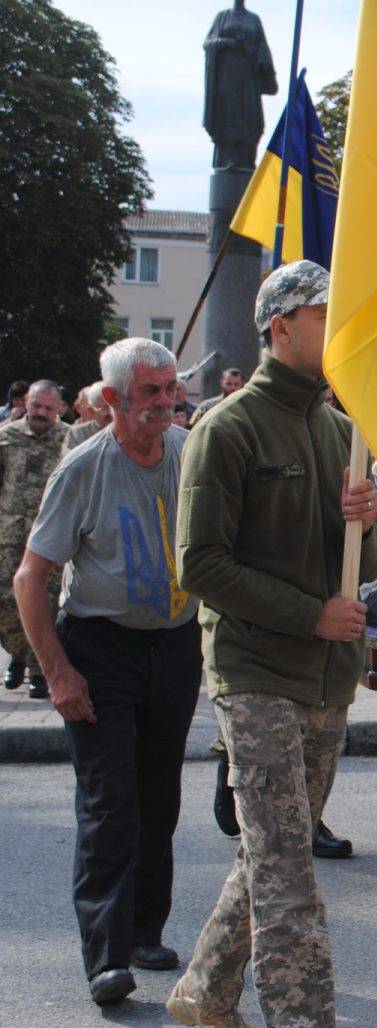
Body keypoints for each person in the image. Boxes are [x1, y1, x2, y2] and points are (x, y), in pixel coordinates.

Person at [167, 260, 377, 1027]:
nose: (338, 329)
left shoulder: (341, 429)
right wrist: (310, 616)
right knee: (289, 871)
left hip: (326, 675)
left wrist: (369, 520)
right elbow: (199, 564)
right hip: (256, 669)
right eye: (324, 315)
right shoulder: (226, 427)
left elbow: (373, 561)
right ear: (280, 325)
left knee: (267, 855)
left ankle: (203, 996)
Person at [12, 340, 200, 1006]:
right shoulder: (83, 469)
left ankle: (146, 930)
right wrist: (57, 672)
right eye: (147, 391)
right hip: (101, 651)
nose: (163, 402)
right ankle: (107, 956)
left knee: (160, 800)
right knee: (110, 805)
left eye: (169, 388)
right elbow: (31, 576)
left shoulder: (188, 451)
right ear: (111, 399)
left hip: (175, 649)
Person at [0, 379, 68, 696]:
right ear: (26, 402)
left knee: (48, 599)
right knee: (7, 600)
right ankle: (18, 654)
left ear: (59, 409)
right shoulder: (6, 437)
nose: (40, 413)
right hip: (10, 532)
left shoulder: (69, 440)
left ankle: (39, 670)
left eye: (47, 408)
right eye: (36, 405)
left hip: (51, 533)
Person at [63, 382, 113, 453]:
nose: (112, 413)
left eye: (114, 407)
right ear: (91, 411)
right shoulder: (77, 434)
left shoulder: (130, 431)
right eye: (106, 407)